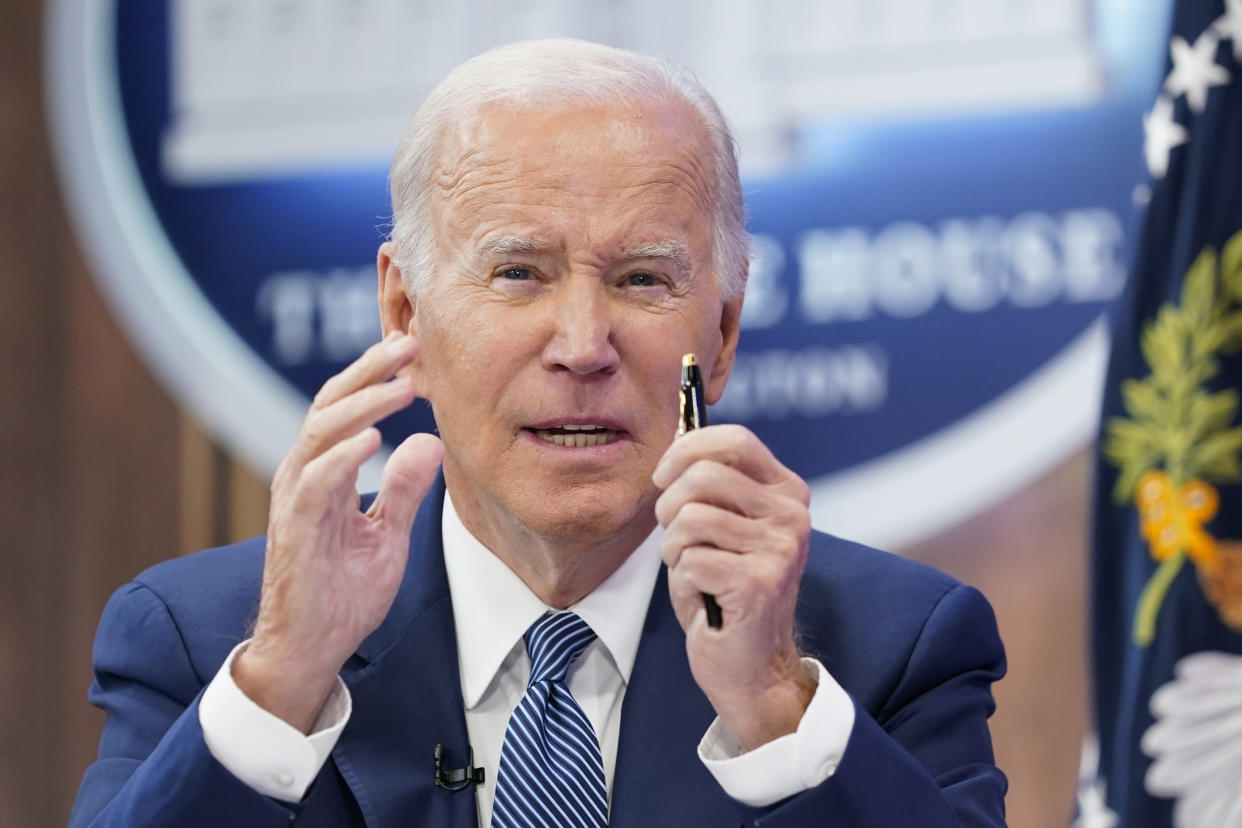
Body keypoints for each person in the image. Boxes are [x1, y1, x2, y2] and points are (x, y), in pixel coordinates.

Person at [69, 39, 1006, 827]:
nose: (583, 346)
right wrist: (280, 681)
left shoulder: (891, 648)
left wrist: (770, 705)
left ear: (720, 335)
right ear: (405, 312)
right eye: (519, 272)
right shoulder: (202, 644)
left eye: (643, 279)